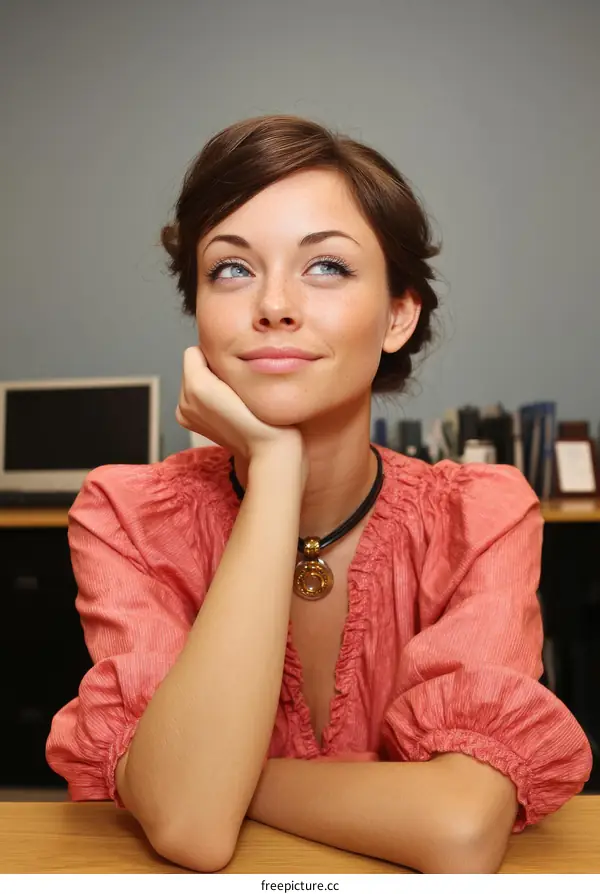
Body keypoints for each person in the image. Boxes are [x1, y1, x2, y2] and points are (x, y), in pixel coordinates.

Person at [46, 115, 592, 874]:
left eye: (326, 267)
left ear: (399, 314)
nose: (273, 304)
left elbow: (461, 831)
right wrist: (273, 467)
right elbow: (192, 832)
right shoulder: (126, 516)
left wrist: (208, 778)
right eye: (231, 269)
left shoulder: (482, 515)